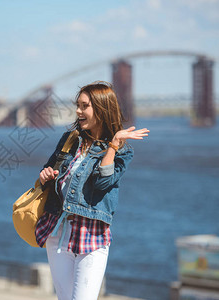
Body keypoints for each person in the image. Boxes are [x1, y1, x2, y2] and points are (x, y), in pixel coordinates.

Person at [35, 81, 149, 300]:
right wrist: (46, 176)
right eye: (78, 105)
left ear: (101, 108)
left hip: (92, 235)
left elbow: (103, 183)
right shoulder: (70, 139)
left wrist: (113, 145)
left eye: (84, 106)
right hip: (58, 230)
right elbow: (49, 171)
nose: (78, 111)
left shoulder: (123, 151)